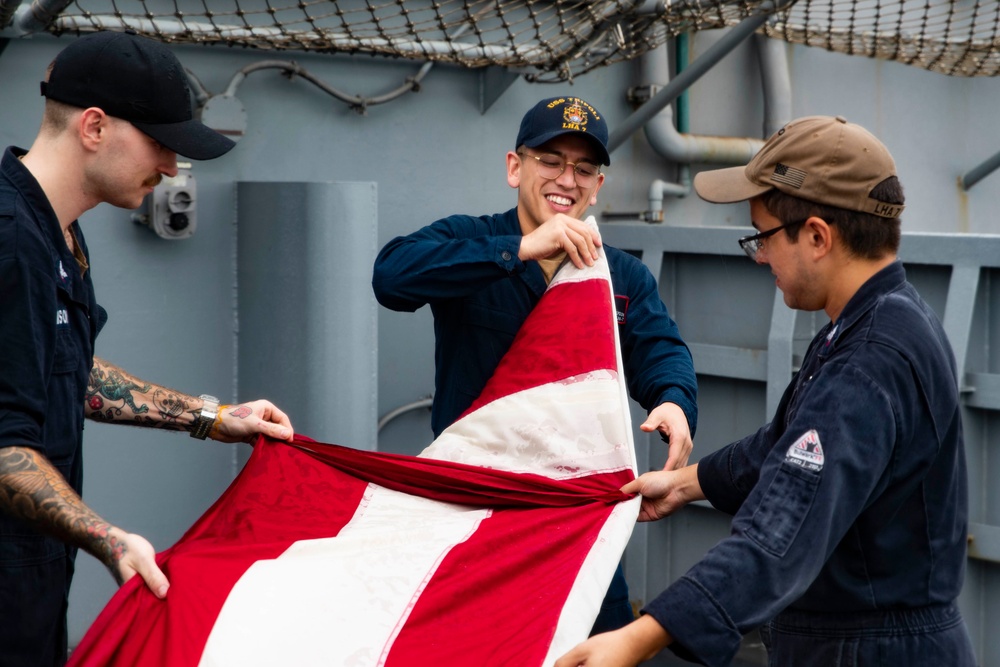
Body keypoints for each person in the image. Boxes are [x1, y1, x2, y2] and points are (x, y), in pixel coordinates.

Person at [555, 115, 975, 666]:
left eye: (763, 237)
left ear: (818, 236)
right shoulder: (881, 318)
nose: (760, 257)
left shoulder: (868, 360)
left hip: (871, 650)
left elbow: (780, 532)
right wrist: (686, 483)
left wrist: (637, 637)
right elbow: (787, 446)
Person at [0, 31, 295, 667]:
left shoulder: (60, 233)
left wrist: (212, 417)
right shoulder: (10, 241)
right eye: (161, 143)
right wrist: (108, 539)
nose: (169, 167)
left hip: (31, 587)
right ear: (95, 126)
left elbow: (62, 371)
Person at [371, 96, 698, 634]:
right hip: (472, 511)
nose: (566, 179)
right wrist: (517, 249)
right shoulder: (469, 238)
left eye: (584, 168)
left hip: (575, 518)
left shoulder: (622, 276)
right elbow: (392, 277)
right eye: (550, 160)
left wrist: (673, 401)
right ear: (514, 167)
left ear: (598, 186)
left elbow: (660, 347)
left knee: (593, 645)